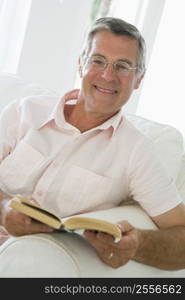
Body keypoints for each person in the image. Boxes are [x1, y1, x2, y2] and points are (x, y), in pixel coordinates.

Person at [0, 17, 185, 271]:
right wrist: (3, 209)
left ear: (139, 79)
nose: (108, 75)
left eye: (122, 66)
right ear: (80, 64)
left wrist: (139, 244)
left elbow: (181, 236)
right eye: (98, 61)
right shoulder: (26, 111)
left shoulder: (137, 152)